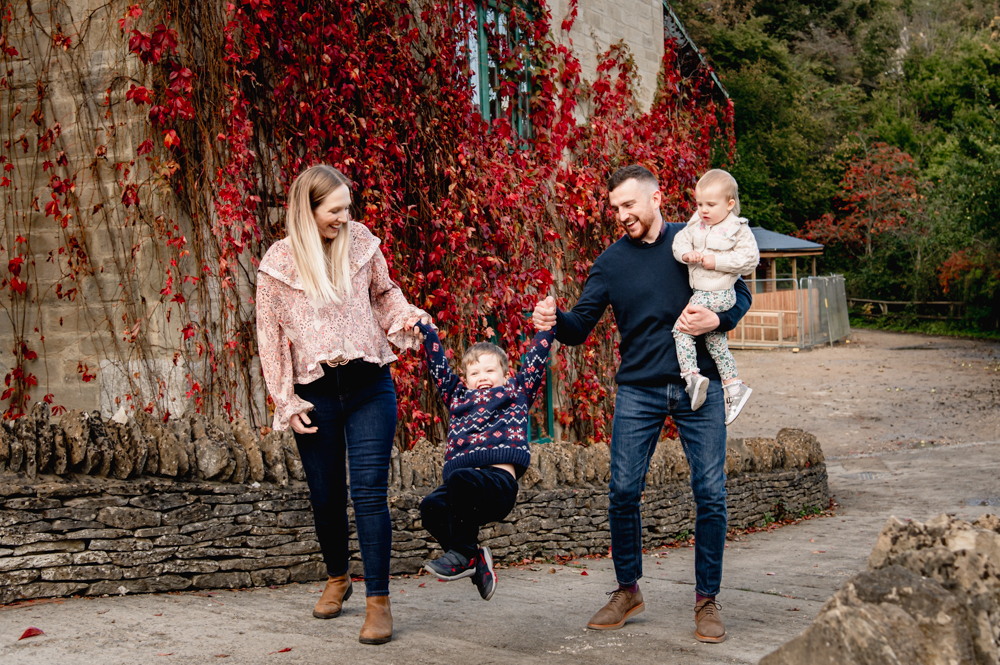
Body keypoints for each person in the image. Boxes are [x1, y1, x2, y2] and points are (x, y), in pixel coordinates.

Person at [532, 164, 751, 643]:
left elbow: (741, 292)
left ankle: (707, 600)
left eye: (629, 204)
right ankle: (627, 590)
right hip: (639, 389)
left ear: (656, 199)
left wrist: (718, 320)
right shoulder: (611, 263)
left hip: (700, 386)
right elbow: (579, 326)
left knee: (710, 493)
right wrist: (553, 320)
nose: (621, 215)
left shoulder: (694, 240)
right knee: (623, 491)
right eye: (615, 208)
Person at [256, 164, 430, 646]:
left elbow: (386, 295)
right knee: (326, 495)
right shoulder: (278, 263)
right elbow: (269, 338)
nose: (344, 218)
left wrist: (406, 318)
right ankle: (337, 577)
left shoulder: (362, 244)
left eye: (347, 208)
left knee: (369, 492)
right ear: (308, 210)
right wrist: (285, 399)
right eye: (334, 210)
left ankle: (378, 602)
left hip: (369, 382)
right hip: (314, 391)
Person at [406, 319, 555, 600]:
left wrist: (548, 326)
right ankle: (474, 560)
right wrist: (427, 332)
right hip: (462, 489)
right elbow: (439, 368)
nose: (482, 376)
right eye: (474, 372)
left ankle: (463, 555)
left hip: (497, 485)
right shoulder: (458, 397)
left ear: (506, 375)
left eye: (489, 370)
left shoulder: (516, 392)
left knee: (462, 478)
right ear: (465, 379)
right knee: (430, 507)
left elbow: (536, 360)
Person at [672, 169, 760, 425]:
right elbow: (678, 242)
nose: (703, 210)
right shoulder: (696, 224)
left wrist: (716, 261)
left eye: (710, 204)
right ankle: (734, 386)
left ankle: (692, 377)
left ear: (729, 204)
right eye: (699, 204)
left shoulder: (737, 228)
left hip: (719, 294)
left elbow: (750, 260)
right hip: (703, 292)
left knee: (682, 329)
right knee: (715, 342)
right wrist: (686, 255)